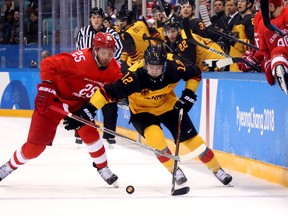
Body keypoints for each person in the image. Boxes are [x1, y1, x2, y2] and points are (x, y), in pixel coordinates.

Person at [64, 44, 233, 188]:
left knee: (194, 141)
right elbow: (106, 93)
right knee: (156, 140)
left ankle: (218, 170)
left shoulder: (175, 66)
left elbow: (195, 73)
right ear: (145, 64)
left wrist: (189, 94)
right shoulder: (133, 76)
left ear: (164, 65)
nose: (154, 71)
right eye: (150, 67)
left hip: (168, 107)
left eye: (158, 68)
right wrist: (88, 109)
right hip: (142, 113)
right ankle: (175, 171)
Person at [0, 32, 120, 187]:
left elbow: (116, 89)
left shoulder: (113, 68)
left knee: (91, 134)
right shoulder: (79, 60)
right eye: (104, 52)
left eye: (111, 53)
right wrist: (47, 86)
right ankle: (9, 166)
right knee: (35, 147)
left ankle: (103, 168)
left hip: (77, 104)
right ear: (95, 49)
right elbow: (48, 63)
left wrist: (91, 107)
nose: (107, 57)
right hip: (53, 100)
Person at [76, 7, 123, 146]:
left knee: (109, 100)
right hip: (87, 72)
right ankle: (81, 131)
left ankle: (109, 134)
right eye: (94, 17)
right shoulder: (83, 32)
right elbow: (79, 49)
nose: (96, 20)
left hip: (106, 73)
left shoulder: (112, 33)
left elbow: (119, 49)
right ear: (90, 18)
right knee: (83, 101)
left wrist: (108, 63)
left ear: (103, 18)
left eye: (98, 17)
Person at [257, 0, 288, 93]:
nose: (261, 11)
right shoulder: (263, 25)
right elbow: (265, 51)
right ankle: (282, 75)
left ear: (270, 6)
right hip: (283, 59)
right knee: (277, 53)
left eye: (261, 7)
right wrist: (268, 64)